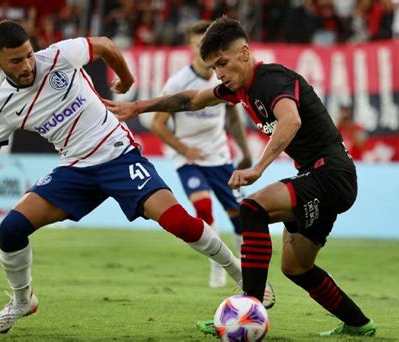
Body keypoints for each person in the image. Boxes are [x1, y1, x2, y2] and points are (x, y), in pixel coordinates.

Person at [0, 19, 274, 335]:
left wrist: (125, 80)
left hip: (118, 156)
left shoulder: (57, 56)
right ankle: (22, 300)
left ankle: (240, 275)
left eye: (29, 54)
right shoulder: (1, 105)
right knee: (12, 229)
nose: (28, 64)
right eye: (17, 60)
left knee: (180, 222)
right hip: (75, 169)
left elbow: (105, 45)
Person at [104, 16, 377, 337]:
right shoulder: (240, 88)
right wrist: (138, 107)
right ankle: (359, 324)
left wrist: (257, 168)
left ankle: (249, 306)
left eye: (223, 63)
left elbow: (290, 121)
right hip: (323, 179)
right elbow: (193, 99)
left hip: (329, 174)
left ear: (244, 53)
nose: (218, 73)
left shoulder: (270, 80)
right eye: (213, 67)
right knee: (296, 267)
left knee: (252, 208)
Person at [150, 20, 252, 288]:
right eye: (196, 45)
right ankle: (219, 266)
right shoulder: (177, 83)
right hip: (189, 159)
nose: (200, 50)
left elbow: (233, 118)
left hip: (219, 156)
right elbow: (157, 125)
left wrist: (244, 150)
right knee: (203, 207)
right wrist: (184, 149)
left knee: (239, 215)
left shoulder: (224, 77)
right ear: (191, 46)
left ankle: (244, 270)